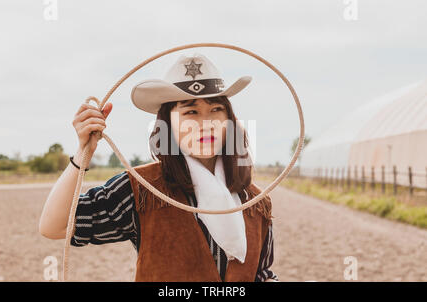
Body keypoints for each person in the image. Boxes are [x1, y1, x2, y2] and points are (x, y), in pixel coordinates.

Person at [39, 53, 279, 282]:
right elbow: (55, 226)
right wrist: (83, 152)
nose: (206, 123)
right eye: (191, 112)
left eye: (216, 109)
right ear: (168, 123)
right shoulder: (141, 189)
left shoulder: (255, 202)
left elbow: (262, 273)